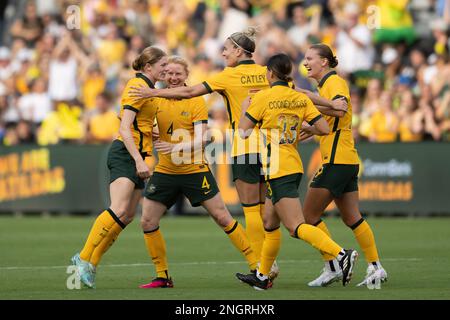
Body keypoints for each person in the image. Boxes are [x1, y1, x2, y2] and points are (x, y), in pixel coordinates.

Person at [129, 28, 346, 279]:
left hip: (244, 147)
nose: (223, 53)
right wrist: (331, 105)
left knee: (252, 211)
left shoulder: (227, 76)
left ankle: (262, 267)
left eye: (226, 49)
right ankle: (322, 260)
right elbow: (299, 95)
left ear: (239, 51)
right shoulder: (267, 72)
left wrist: (152, 91)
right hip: (273, 150)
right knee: (272, 214)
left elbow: (189, 92)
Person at [235, 53, 358, 290]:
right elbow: (322, 128)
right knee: (270, 223)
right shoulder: (298, 98)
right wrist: (291, 122)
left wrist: (244, 109)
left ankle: (341, 254)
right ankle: (262, 276)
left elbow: (242, 131)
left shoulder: (263, 97)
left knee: (295, 226)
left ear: (270, 74)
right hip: (293, 164)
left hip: (277, 167)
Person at [138, 56, 259, 288]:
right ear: (162, 75)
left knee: (222, 217)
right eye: (169, 73)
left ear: (186, 76)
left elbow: (204, 139)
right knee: (147, 221)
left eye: (178, 74)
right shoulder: (156, 101)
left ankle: (257, 266)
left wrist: (175, 147)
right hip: (165, 170)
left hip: (195, 170)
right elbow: (147, 125)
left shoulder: (195, 101)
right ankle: (162, 276)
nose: (173, 78)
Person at [70, 46, 168, 288]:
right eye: (162, 65)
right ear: (148, 67)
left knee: (126, 215)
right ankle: (82, 257)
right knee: (119, 207)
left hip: (137, 153)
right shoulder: (136, 87)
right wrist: (138, 160)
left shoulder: (148, 90)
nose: (166, 69)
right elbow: (125, 128)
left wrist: (153, 137)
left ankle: (91, 263)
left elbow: (137, 124)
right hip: (126, 153)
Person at [301, 43, 388, 288]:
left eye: (309, 58)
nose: (305, 63)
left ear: (324, 62)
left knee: (307, 217)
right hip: (346, 159)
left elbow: (340, 110)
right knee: (352, 217)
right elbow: (327, 119)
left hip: (337, 160)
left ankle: (335, 262)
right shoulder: (325, 86)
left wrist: (304, 97)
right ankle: (375, 267)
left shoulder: (334, 83)